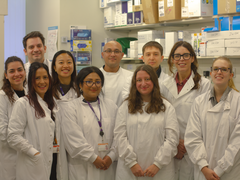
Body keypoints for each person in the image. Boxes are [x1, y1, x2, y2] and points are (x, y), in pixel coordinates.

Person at [114, 64, 179, 180]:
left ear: (154, 81)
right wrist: (132, 163)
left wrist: (157, 164)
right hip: (129, 170)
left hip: (160, 170)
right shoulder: (125, 107)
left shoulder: (166, 107)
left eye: (147, 79)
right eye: (139, 80)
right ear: (134, 83)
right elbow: (119, 137)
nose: (143, 84)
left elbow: (172, 139)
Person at [159, 41, 211, 180]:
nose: (181, 59)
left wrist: (187, 143)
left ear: (192, 58)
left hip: (193, 147)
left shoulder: (204, 85)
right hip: (171, 146)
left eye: (186, 55)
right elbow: (161, 117)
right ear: (172, 59)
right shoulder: (165, 85)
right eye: (177, 56)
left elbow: (205, 119)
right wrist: (174, 143)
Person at [185, 57, 240, 180]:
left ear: (231, 74)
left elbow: (237, 143)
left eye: (224, 69)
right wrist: (204, 167)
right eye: (216, 69)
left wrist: (220, 170)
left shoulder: (238, 102)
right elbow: (192, 137)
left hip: (229, 173)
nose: (219, 72)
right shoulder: (199, 102)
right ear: (211, 73)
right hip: (203, 172)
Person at [7, 62, 63, 180]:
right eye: (37, 78)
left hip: (53, 159)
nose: (42, 82)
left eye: (45, 77)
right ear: (30, 81)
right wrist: (34, 153)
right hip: (34, 163)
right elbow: (13, 136)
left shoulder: (52, 102)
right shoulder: (23, 103)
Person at [61, 66, 118, 180]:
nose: (94, 85)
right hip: (83, 167)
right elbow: (72, 139)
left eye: (98, 82)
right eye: (89, 82)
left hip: (108, 165)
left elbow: (119, 134)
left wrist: (112, 156)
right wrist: (93, 158)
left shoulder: (111, 106)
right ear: (80, 85)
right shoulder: (70, 108)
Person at [0, 56, 26, 180]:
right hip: (10, 157)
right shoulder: (2, 97)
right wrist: (25, 143)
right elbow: (3, 132)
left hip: (29, 156)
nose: (17, 74)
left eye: (20, 70)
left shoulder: (30, 94)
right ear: (6, 75)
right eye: (12, 71)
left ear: (25, 72)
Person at [100, 41, 133, 107]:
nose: (112, 54)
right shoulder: (95, 75)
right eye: (109, 51)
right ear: (103, 55)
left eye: (116, 51)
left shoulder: (131, 76)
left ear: (122, 55)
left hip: (123, 116)